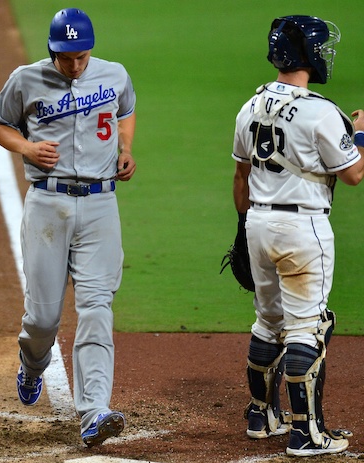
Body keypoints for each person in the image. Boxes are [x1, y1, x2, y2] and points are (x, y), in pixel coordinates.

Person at [0, 7, 136, 447]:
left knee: (96, 308)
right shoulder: (25, 79)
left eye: (81, 56)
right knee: (43, 318)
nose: (75, 65)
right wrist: (28, 148)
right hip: (47, 206)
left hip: (100, 205)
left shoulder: (114, 75)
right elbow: (1, 125)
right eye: (66, 57)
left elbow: (126, 110)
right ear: (52, 50)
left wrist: (126, 148)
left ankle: (94, 411)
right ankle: (32, 365)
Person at [231, 15, 364, 457]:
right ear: (306, 55)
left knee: (268, 321)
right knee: (309, 327)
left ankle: (260, 415)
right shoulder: (322, 111)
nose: (326, 54)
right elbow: (353, 175)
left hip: (258, 223)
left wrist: (242, 226)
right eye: (320, 47)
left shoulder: (249, 107)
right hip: (303, 228)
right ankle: (307, 434)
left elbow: (240, 174)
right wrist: (361, 133)